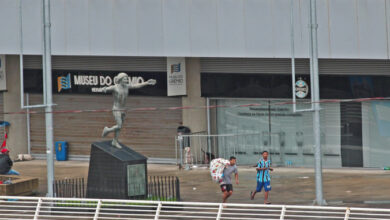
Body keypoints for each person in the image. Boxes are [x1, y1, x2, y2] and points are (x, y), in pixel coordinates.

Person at [101, 72, 156, 148]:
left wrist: (146, 82)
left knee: (119, 127)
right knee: (119, 126)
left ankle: (115, 141)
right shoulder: (115, 87)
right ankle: (107, 130)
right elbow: (106, 88)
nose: (126, 80)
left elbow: (136, 86)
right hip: (116, 109)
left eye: (127, 78)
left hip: (123, 109)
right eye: (125, 78)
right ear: (120, 79)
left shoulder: (127, 86)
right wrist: (104, 89)